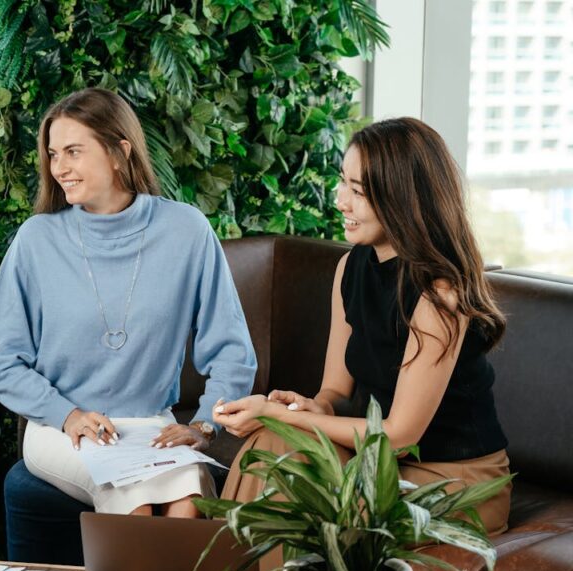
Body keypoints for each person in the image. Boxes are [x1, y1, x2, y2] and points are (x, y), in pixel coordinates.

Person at [216, 117, 511, 534]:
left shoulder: (437, 294)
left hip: (452, 478)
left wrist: (282, 417)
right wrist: (305, 408)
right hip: (381, 463)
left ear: (402, 199)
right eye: (343, 184)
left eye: (358, 192)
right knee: (272, 446)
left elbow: (399, 435)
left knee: (303, 483)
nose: (340, 202)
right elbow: (336, 391)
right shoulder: (350, 268)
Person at [0, 88, 257, 518]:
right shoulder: (37, 240)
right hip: (61, 429)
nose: (59, 168)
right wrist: (66, 413)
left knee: (189, 500)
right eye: (54, 154)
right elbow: (1, 361)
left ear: (118, 151)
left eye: (73, 151)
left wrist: (204, 425)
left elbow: (232, 351)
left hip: (151, 423)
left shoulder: (187, 231)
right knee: (137, 503)